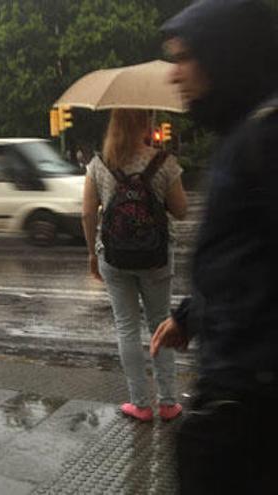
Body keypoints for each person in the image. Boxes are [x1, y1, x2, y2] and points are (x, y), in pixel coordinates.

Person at [149, 1, 278, 493]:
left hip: (252, 409)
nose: (174, 75)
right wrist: (191, 315)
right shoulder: (243, 132)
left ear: (223, 56)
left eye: (184, 57)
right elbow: (246, 261)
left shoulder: (266, 138)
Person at [82, 109, 188, 422]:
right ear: (145, 122)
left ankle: (140, 404)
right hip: (156, 256)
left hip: (114, 257)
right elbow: (181, 210)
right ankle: (168, 402)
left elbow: (87, 214)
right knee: (161, 323)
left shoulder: (98, 164)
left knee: (126, 327)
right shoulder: (163, 162)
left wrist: (92, 253)